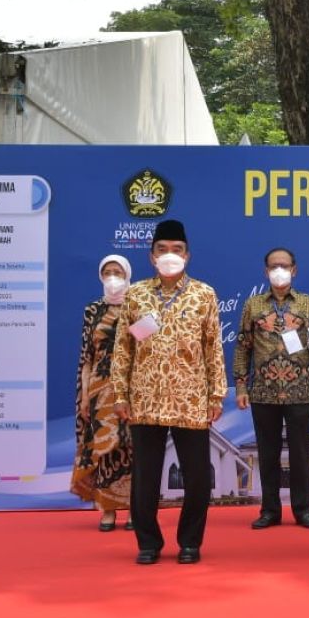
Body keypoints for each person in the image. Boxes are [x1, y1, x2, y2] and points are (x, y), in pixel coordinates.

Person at [112, 220, 227, 565]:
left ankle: (189, 542)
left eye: (177, 249)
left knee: (196, 478)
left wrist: (216, 396)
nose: (169, 256)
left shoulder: (204, 295)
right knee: (145, 478)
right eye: (162, 250)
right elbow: (123, 349)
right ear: (151, 257)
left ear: (187, 255)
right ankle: (148, 543)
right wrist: (120, 394)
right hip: (145, 398)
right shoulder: (135, 295)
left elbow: (214, 348)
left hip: (191, 399)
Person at [233, 248, 309, 531]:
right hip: (262, 392)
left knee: (300, 454)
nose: (279, 270)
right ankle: (270, 509)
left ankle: (303, 509)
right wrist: (240, 385)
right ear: (265, 271)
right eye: (273, 266)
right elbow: (243, 346)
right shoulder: (253, 305)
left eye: (284, 266)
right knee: (267, 453)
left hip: (301, 391)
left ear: (294, 270)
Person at [71, 254, 135, 531]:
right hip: (99, 387)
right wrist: (85, 395)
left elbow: (149, 348)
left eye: (117, 271)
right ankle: (107, 509)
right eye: (107, 271)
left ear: (127, 274)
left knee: (133, 447)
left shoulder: (140, 305)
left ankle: (135, 509)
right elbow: (87, 356)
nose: (112, 276)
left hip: (132, 387)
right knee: (105, 449)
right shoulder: (92, 310)